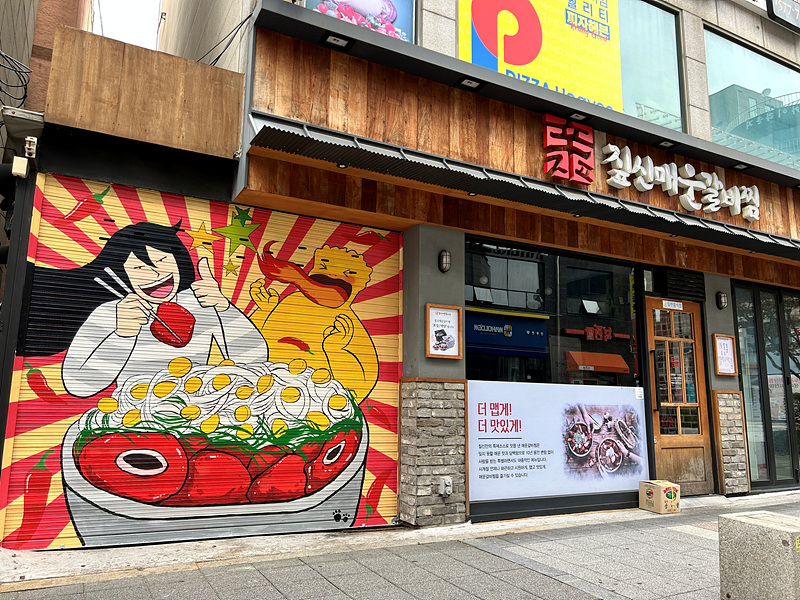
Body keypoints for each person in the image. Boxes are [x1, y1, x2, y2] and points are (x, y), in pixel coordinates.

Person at [23, 221, 267, 397]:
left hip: (197, 409)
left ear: (179, 260)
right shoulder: (113, 312)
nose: (156, 274)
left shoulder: (202, 302)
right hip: (132, 413)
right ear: (122, 275)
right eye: (139, 269)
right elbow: (78, 384)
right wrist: (121, 336)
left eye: (162, 261)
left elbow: (256, 362)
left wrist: (224, 308)